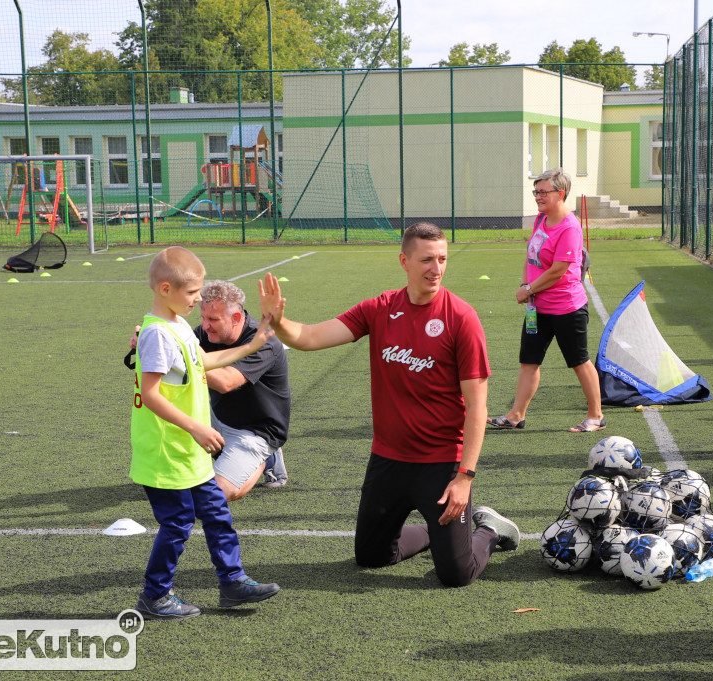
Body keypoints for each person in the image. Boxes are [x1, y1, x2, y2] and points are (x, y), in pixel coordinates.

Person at [257, 222, 520, 588]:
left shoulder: (462, 318)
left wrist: (465, 477)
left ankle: (488, 530)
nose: (437, 268)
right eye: (427, 259)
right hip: (389, 461)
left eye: (442, 259)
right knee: (372, 557)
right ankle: (434, 533)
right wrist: (280, 320)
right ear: (404, 261)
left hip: (441, 465)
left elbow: (477, 406)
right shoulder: (379, 309)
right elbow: (311, 337)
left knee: (456, 575)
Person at [131, 246, 280, 619]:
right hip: (168, 453)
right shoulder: (157, 334)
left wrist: (255, 343)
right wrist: (198, 427)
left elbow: (203, 362)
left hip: (190, 450)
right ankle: (155, 595)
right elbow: (150, 395)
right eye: (192, 292)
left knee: (216, 513)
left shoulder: (179, 326)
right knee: (178, 524)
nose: (198, 299)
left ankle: (232, 582)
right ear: (166, 289)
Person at [486, 167, 605, 433]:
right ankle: (516, 415)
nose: (538, 197)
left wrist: (528, 289)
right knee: (529, 360)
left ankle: (596, 416)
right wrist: (525, 285)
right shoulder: (542, 219)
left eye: (543, 192)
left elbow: (558, 270)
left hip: (567, 308)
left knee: (579, 360)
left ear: (560, 194)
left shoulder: (570, 227)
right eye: (535, 192)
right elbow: (531, 257)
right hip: (537, 308)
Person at [196, 280, 291, 498]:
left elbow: (225, 382)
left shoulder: (263, 341)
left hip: (256, 431)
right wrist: (147, 338)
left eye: (213, 319)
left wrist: (181, 356)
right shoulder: (205, 332)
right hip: (216, 417)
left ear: (236, 318)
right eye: (203, 318)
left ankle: (267, 457)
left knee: (216, 495)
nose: (205, 325)